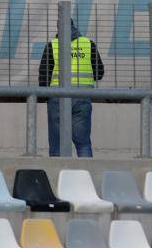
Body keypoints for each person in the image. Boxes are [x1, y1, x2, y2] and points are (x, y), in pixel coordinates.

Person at [38, 22, 104, 157]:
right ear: (75, 27)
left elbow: (44, 76)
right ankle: (86, 175)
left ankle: (59, 175)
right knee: (83, 144)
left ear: (58, 29)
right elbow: (99, 73)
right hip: (82, 96)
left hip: (57, 97)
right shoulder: (88, 44)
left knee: (57, 145)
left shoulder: (53, 45)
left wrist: (43, 96)